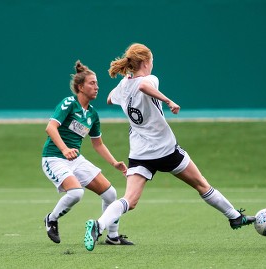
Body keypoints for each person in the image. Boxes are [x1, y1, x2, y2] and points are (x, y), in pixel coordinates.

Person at [83, 43, 256, 251]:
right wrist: (168, 101)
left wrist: (125, 85)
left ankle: (99, 225)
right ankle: (235, 217)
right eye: (152, 60)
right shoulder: (149, 79)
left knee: (130, 200)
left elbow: (110, 99)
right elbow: (143, 87)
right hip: (165, 150)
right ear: (146, 62)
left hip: (140, 153)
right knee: (202, 185)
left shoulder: (124, 85)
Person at [42, 60, 133, 246]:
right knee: (76, 193)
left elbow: (98, 144)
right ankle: (51, 219)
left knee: (110, 194)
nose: (97, 87)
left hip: (75, 159)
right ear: (80, 87)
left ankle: (112, 237)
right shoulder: (70, 103)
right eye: (92, 83)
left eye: (97, 83)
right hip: (54, 158)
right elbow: (51, 128)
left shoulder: (92, 114)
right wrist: (65, 149)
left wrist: (114, 163)